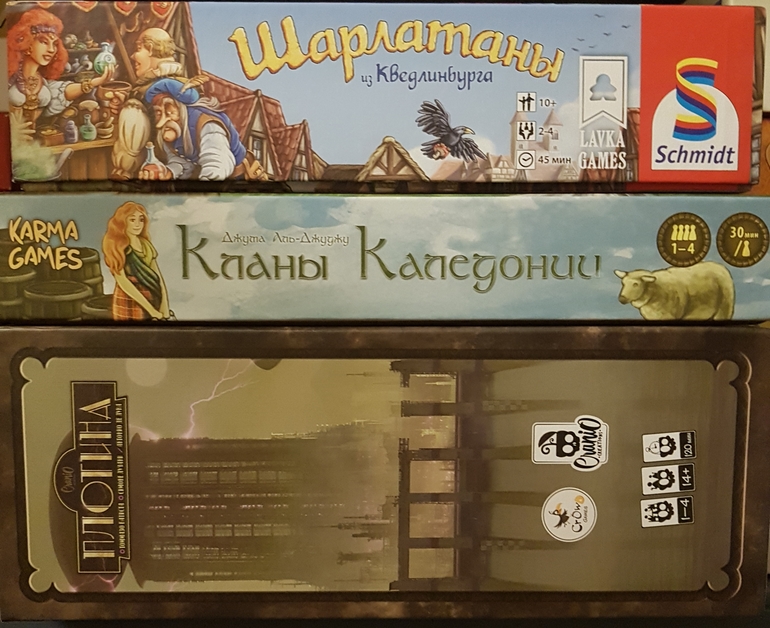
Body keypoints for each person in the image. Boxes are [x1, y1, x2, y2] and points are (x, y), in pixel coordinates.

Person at [139, 77, 266, 181]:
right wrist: (168, 172)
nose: (161, 122)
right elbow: (183, 164)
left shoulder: (207, 125)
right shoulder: (172, 131)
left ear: (182, 108)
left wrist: (203, 193)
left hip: (240, 179)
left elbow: (217, 164)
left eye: (169, 111)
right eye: (158, 113)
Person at [7, 8, 114, 125]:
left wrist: (95, 82)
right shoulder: (9, 79)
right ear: (26, 42)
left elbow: (64, 92)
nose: (51, 50)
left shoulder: (42, 82)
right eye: (44, 42)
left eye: (54, 44)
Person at [111, 27, 186, 179]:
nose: (133, 56)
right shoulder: (172, 83)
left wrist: (129, 106)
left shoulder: (165, 88)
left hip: (160, 170)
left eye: (138, 49)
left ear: (150, 49)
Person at [102, 201, 170, 321]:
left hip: (152, 297)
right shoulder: (117, 247)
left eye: (141, 220)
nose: (138, 224)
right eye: (132, 220)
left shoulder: (145, 244)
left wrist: (164, 306)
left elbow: (157, 277)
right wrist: (151, 311)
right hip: (129, 300)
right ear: (123, 222)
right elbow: (124, 283)